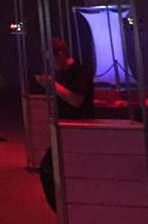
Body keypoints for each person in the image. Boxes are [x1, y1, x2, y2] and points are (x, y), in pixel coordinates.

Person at [36, 38, 94, 211]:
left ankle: (64, 212)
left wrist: (53, 85)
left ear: (61, 55)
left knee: (48, 170)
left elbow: (76, 100)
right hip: (66, 130)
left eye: (52, 59)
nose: (52, 65)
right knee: (52, 171)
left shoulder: (79, 72)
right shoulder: (65, 74)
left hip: (78, 131)